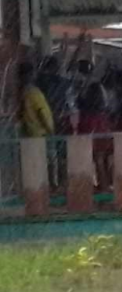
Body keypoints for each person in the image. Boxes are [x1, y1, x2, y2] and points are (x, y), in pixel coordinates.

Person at [36, 56, 73, 192]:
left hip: (45, 121)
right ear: (54, 67)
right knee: (61, 153)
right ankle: (62, 182)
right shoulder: (59, 81)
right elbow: (70, 78)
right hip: (60, 119)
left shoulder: (40, 81)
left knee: (49, 154)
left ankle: (52, 184)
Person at [76, 61, 113, 192]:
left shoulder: (85, 86)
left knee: (96, 159)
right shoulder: (98, 86)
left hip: (91, 127)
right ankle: (105, 186)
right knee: (102, 159)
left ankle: (102, 187)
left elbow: (80, 104)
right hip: (102, 126)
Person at [19, 62, 55, 138]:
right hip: (40, 133)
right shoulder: (35, 93)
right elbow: (43, 113)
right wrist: (50, 130)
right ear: (31, 75)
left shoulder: (22, 93)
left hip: (28, 134)